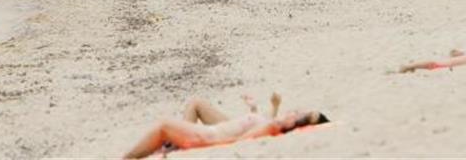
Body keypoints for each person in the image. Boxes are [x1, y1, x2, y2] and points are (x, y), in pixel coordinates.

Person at [122, 94, 329, 158]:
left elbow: (244, 140)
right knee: (195, 103)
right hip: (223, 128)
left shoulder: (274, 126)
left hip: (212, 134)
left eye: (301, 115)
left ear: (294, 123)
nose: (297, 111)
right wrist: (260, 108)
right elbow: (261, 126)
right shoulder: (274, 123)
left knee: (164, 125)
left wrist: (218, 142)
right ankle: (168, 145)